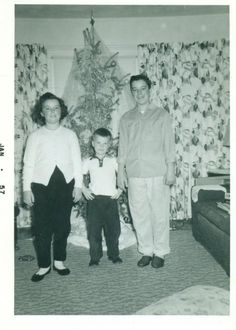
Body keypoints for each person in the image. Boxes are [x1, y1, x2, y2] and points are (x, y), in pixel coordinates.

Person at [118, 74, 176, 269]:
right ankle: (146, 250)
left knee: (159, 213)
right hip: (135, 173)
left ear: (149, 90)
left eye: (143, 88)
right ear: (131, 92)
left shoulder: (161, 115)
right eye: (135, 89)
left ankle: (160, 251)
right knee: (139, 213)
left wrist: (171, 169)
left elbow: (169, 145)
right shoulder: (126, 118)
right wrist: (120, 172)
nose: (139, 93)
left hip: (158, 172)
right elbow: (123, 148)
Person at [23, 92, 82, 282]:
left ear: (61, 111)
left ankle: (59, 260)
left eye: (55, 108)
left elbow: (77, 163)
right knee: (42, 227)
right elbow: (29, 164)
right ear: (41, 113)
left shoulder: (70, 135)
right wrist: (26, 189)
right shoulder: (35, 136)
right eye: (47, 108)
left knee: (62, 226)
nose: (52, 112)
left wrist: (78, 186)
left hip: (65, 185)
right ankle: (44, 264)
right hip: (40, 186)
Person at [82, 128, 123, 266]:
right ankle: (95, 257)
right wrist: (84, 189)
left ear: (109, 144)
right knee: (93, 231)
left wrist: (120, 189)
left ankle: (114, 255)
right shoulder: (88, 161)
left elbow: (123, 175)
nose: (101, 146)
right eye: (98, 143)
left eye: (105, 143)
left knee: (114, 230)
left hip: (110, 201)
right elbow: (77, 176)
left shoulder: (113, 161)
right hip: (94, 201)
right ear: (93, 143)